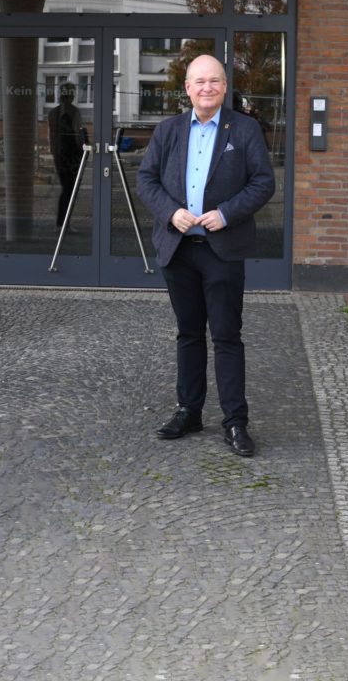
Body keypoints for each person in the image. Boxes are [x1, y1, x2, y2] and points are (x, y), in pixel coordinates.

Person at [137, 54, 275, 457]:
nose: (207, 88)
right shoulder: (168, 131)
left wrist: (226, 213)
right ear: (187, 88)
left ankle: (235, 422)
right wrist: (171, 212)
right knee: (189, 334)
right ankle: (189, 410)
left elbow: (263, 182)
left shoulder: (245, 129)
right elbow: (146, 180)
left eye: (214, 81)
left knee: (227, 336)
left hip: (223, 250)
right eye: (199, 82)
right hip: (179, 250)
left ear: (225, 86)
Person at [47, 83, 84, 230]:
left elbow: (52, 137)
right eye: (72, 92)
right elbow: (77, 135)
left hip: (66, 155)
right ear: (71, 94)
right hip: (67, 156)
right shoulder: (72, 112)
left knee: (68, 189)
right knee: (69, 189)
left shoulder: (54, 113)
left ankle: (63, 223)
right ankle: (62, 223)